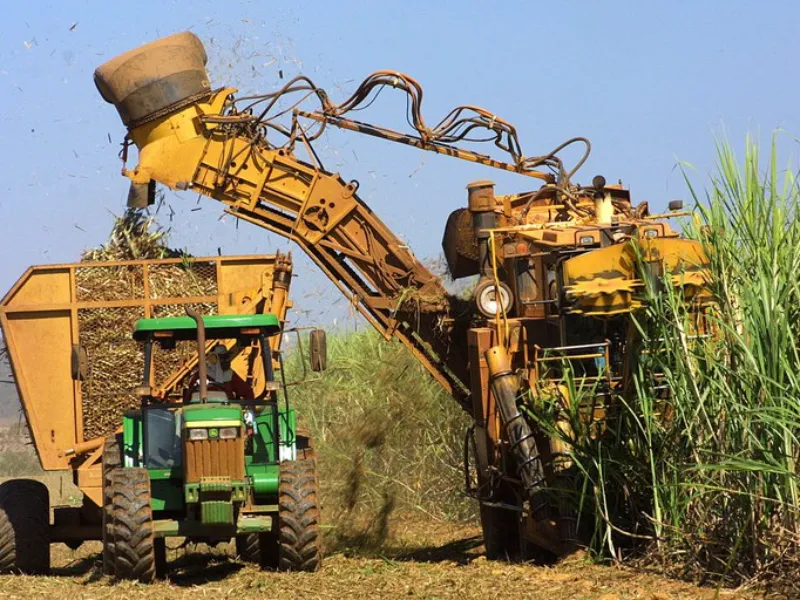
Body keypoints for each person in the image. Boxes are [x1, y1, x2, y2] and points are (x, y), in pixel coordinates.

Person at [190, 344, 254, 400]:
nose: (227, 361)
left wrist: (249, 408)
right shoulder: (200, 375)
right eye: (223, 358)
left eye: (227, 358)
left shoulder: (230, 375)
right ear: (213, 359)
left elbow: (248, 392)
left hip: (228, 411)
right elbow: (189, 395)